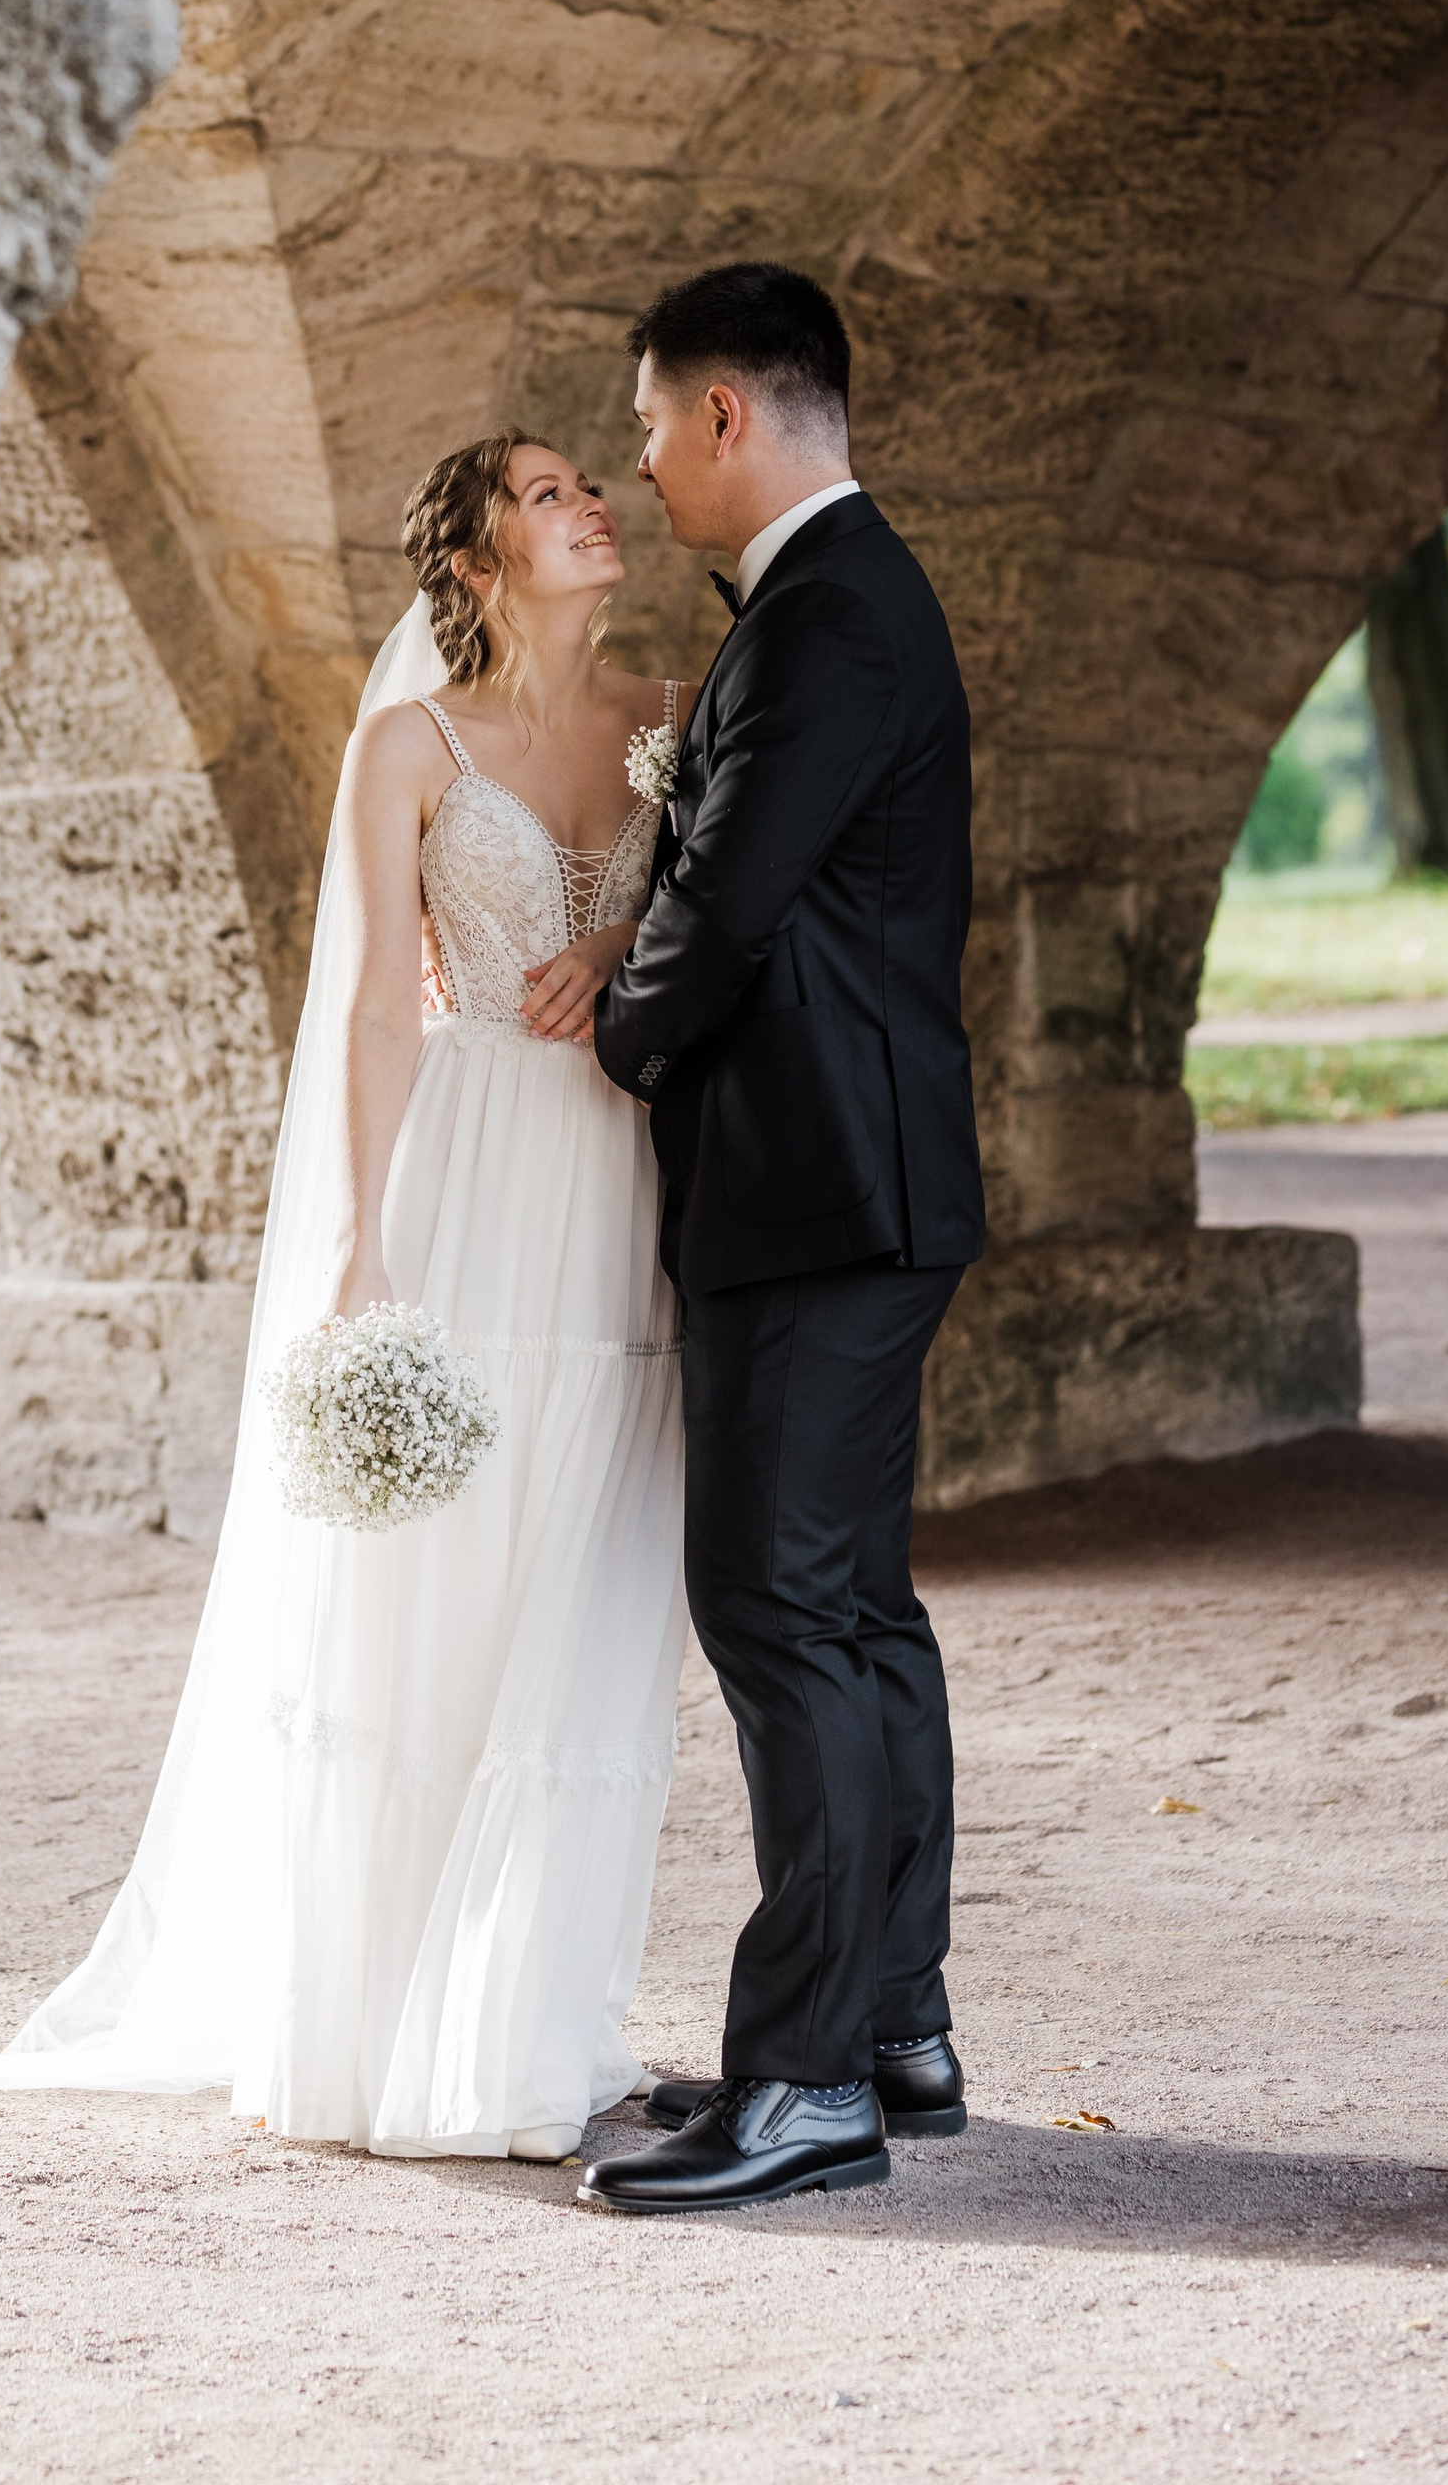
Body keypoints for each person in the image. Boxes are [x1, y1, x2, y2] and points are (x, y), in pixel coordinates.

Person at [0, 435, 690, 2158]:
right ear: (479, 562)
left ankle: (524, 2025)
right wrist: (359, 1247)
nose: (591, 505)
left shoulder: (674, 709)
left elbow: (716, 921)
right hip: (470, 1167)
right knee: (429, 1592)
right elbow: (373, 1012)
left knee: (588, 1571)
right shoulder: (404, 749)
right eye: (552, 492)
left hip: (622, 1171)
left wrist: (627, 964)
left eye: (590, 484)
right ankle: (370, 2028)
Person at [575, 262, 987, 2216]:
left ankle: (806, 2080)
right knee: (853, 1612)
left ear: (724, 413)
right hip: (860, 1181)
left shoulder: (824, 612)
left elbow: (722, 900)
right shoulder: (844, 594)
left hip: (811, 1187)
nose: (643, 467)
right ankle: (888, 2025)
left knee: (776, 1611)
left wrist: (617, 1033)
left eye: (650, 427)